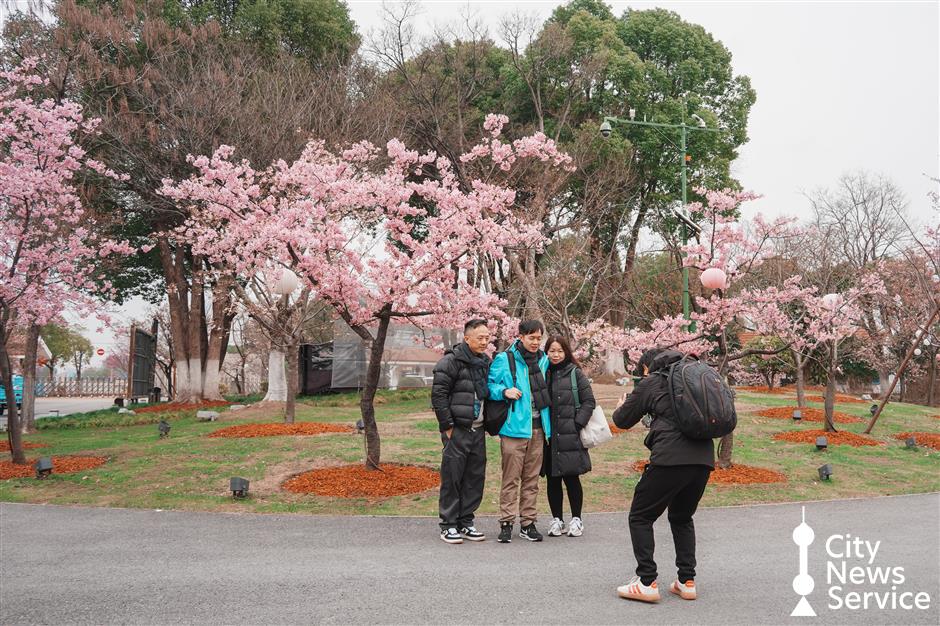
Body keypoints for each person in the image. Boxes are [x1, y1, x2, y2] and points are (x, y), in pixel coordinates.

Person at [611, 349, 714, 603]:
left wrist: (621, 406)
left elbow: (622, 420)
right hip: (703, 459)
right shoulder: (692, 381)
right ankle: (686, 581)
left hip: (670, 459)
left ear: (648, 367)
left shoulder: (653, 381)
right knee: (681, 517)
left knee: (640, 516)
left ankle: (646, 581)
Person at [487, 319, 550, 543]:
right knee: (511, 479)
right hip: (514, 429)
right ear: (520, 336)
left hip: (538, 429)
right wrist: (504, 391)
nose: (535, 342)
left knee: (532, 479)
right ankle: (506, 522)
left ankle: (528, 523)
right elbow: (489, 386)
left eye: (538, 338)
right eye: (531, 337)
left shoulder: (543, 360)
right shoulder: (506, 359)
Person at [431, 319, 492, 544]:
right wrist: (447, 426)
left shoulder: (485, 362)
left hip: (478, 429)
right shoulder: (450, 362)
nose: (485, 341)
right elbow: (438, 395)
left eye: (487, 337)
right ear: (467, 338)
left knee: (475, 478)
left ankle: (466, 521)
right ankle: (448, 524)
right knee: (453, 477)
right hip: (457, 430)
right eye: (480, 338)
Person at [542, 335, 595, 538]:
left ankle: (576, 519)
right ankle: (557, 519)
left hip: (569, 435)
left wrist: (576, 424)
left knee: (571, 478)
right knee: (553, 480)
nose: (555, 355)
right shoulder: (543, 373)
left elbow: (589, 401)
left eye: (559, 351)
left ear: (566, 352)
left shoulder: (575, 373)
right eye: (551, 350)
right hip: (549, 436)